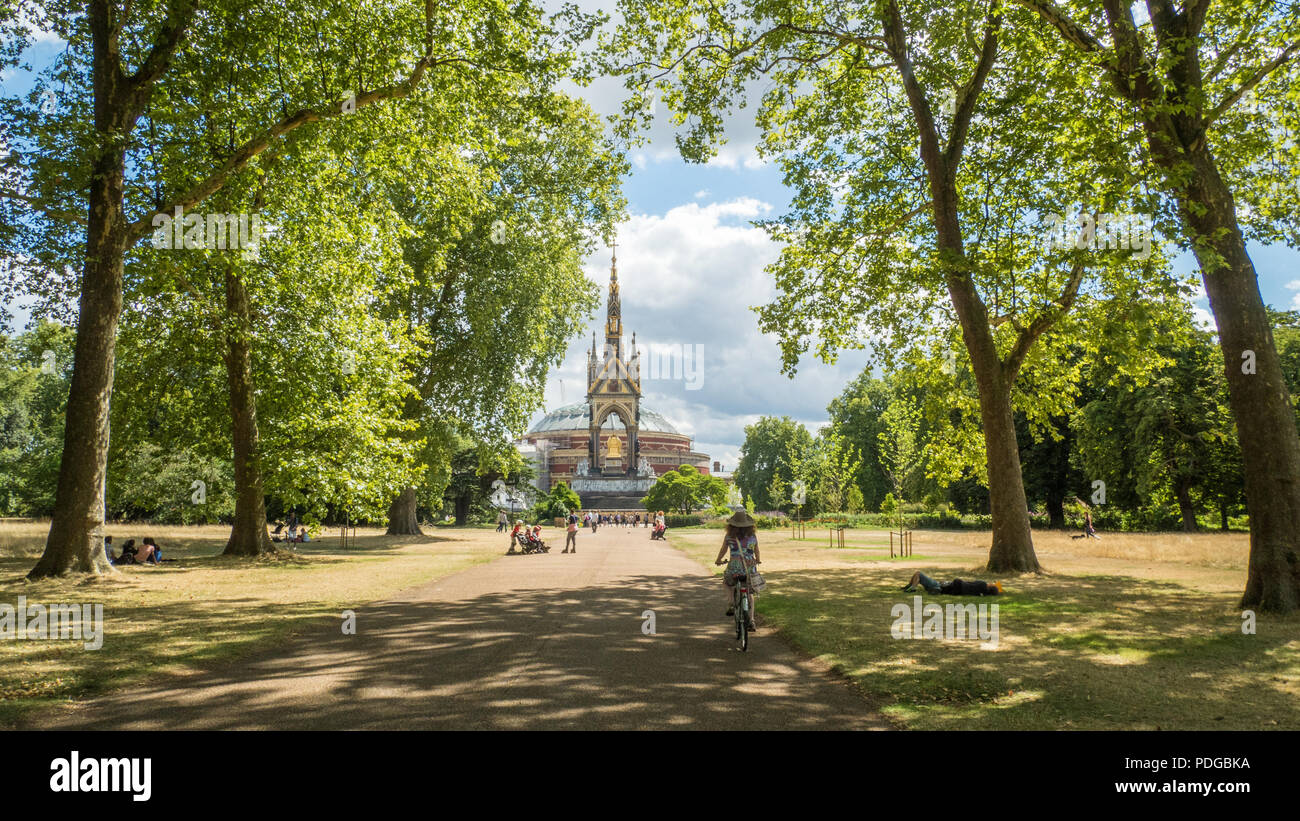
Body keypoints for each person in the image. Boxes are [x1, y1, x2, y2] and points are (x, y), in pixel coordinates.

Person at [714, 510, 761, 631]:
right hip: (749, 567)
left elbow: (723, 550)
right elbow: (757, 550)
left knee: (726, 582)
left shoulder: (729, 536)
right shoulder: (752, 536)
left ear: (732, 525)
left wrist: (718, 560)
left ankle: (730, 602)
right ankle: (751, 621)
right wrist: (758, 560)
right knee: (749, 593)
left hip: (734, 567)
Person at [902, 572, 1002, 596]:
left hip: (943, 586)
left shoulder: (983, 585)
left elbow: (973, 582)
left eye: (992, 584)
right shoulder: (981, 592)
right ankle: (910, 586)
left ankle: (912, 587)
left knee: (918, 573)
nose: (991, 583)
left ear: (990, 586)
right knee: (918, 575)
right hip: (947, 587)